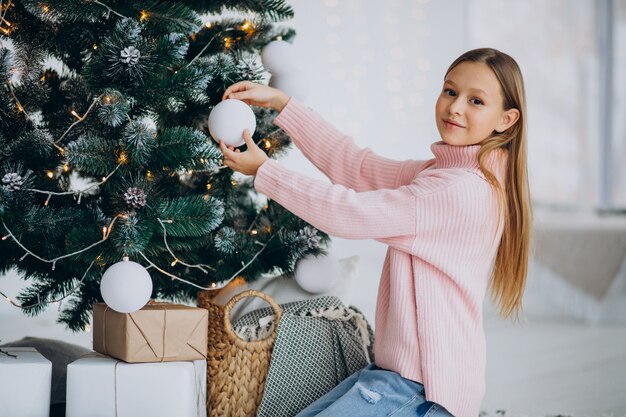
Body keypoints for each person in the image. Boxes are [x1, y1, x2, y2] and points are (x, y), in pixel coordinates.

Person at [219, 47, 532, 417]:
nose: (455, 107)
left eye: (476, 100)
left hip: (424, 390)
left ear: (506, 119)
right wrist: (285, 106)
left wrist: (266, 171)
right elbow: (356, 165)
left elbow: (348, 212)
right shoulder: (444, 175)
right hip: (401, 377)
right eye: (450, 91)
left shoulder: (456, 191)